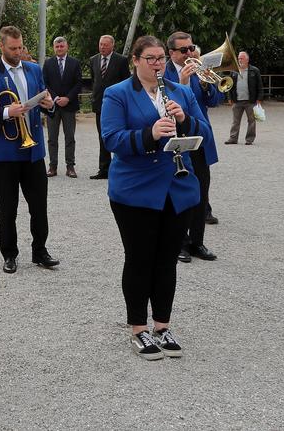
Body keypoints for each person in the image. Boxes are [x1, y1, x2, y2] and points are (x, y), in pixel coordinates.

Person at [100, 34, 202, 360]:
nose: (158, 64)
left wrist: (184, 120)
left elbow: (205, 132)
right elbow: (112, 138)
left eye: (160, 58)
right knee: (140, 258)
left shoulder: (180, 91)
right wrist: (149, 134)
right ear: (136, 60)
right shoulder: (117, 94)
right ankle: (138, 329)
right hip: (135, 190)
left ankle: (162, 325)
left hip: (176, 187)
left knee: (167, 259)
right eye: (151, 59)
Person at [0, 25, 58, 274]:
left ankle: (40, 250)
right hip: (6, 153)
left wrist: (49, 104)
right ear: (1, 46)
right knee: (8, 207)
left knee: (39, 206)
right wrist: (6, 112)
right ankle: (9, 254)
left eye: (20, 46)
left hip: (33, 151)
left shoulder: (33, 69)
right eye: (13, 48)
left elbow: (45, 104)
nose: (18, 51)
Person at [167, 31, 221, 261]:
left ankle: (197, 242)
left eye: (191, 48)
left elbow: (215, 101)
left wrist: (207, 85)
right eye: (183, 50)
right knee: (178, 192)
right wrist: (184, 84)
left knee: (201, 191)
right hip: (175, 138)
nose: (190, 53)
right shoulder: (162, 71)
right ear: (172, 53)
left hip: (199, 137)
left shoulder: (201, 70)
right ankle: (179, 242)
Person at [88, 34, 130, 180]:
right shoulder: (93, 60)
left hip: (118, 105)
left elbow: (126, 81)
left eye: (105, 45)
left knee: (120, 135)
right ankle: (104, 169)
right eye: (100, 44)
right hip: (100, 104)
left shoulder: (121, 60)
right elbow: (95, 80)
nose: (102, 47)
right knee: (102, 136)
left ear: (112, 45)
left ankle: (123, 167)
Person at [41, 36, 82, 178]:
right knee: (52, 138)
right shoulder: (48, 63)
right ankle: (53, 166)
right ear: (54, 48)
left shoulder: (75, 63)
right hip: (52, 106)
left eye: (62, 46)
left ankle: (70, 167)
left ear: (67, 47)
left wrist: (68, 98)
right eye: (57, 47)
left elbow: (78, 83)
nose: (59, 49)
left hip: (69, 106)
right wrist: (56, 98)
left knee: (70, 137)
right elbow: (44, 83)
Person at [225, 49, 264, 145]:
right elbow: (229, 85)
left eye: (242, 58)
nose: (240, 60)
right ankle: (233, 138)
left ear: (247, 60)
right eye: (239, 58)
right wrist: (229, 98)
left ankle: (249, 140)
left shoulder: (254, 70)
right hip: (237, 100)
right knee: (235, 121)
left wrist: (259, 99)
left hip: (250, 101)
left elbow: (260, 85)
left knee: (251, 121)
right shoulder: (234, 71)